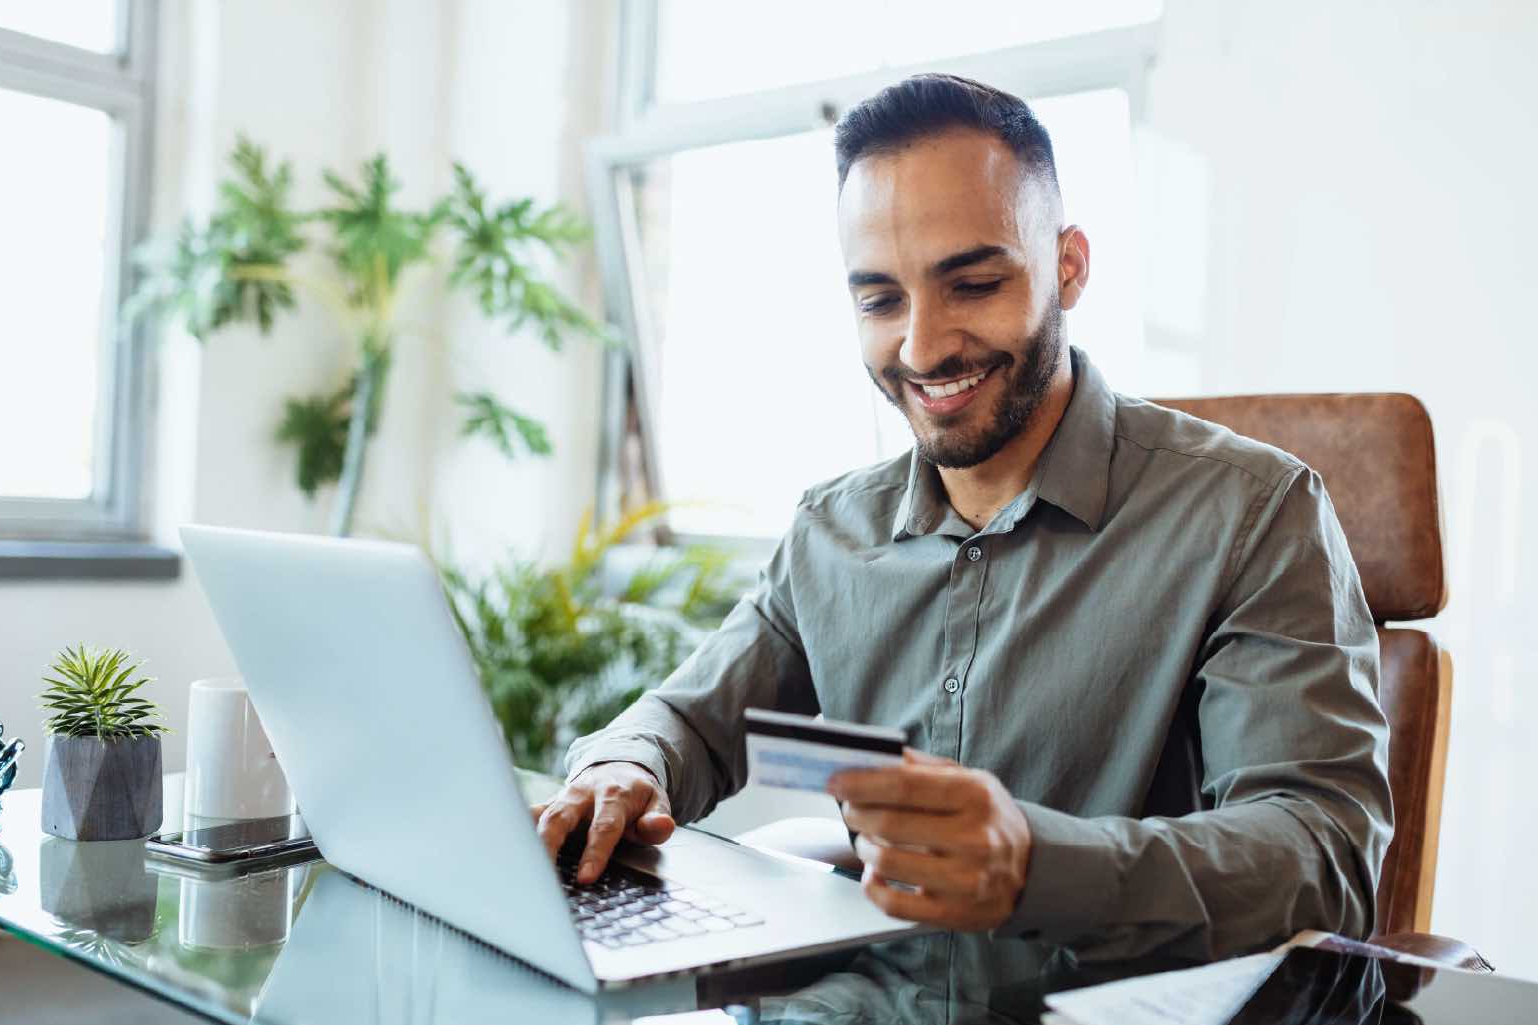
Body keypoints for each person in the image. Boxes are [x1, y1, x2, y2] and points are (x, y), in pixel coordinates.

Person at [533, 73, 1393, 962]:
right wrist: (621, 766)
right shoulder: (833, 533)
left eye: (973, 283)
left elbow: (1323, 855)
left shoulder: (1250, 514)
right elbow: (692, 720)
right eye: (879, 300)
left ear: (1069, 265)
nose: (921, 347)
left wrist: (1037, 864)